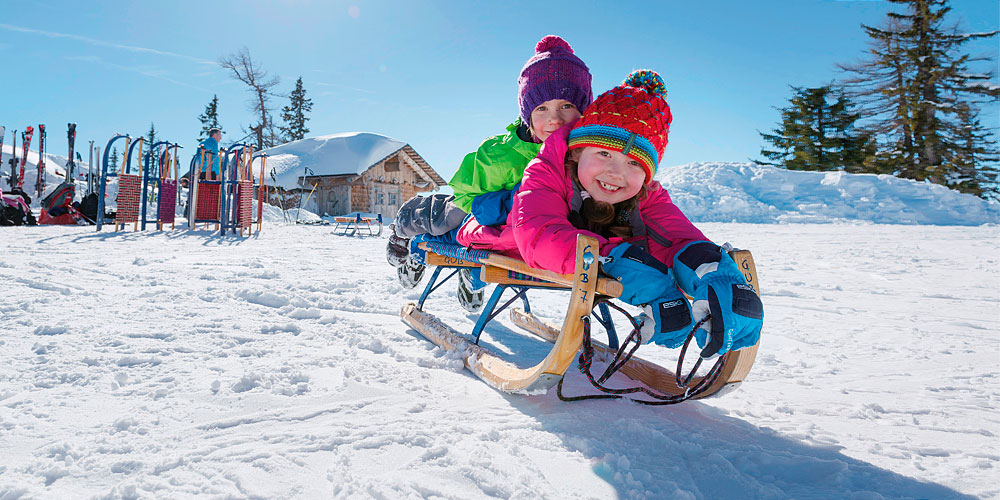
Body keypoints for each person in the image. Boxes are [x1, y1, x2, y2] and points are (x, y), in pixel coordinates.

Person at [469, 70, 763, 358]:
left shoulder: (645, 194)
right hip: (499, 237)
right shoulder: (546, 172)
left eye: (634, 163)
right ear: (577, 153)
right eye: (604, 153)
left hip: (585, 253)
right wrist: (624, 266)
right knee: (454, 231)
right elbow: (541, 236)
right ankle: (457, 257)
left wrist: (714, 273)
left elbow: (678, 238)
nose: (615, 173)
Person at [387, 35, 593, 312]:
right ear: (528, 115)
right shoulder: (500, 154)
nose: (554, 119)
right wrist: (497, 207)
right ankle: (406, 233)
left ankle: (470, 273)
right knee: (444, 219)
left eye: (566, 106)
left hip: (521, 232)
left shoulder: (589, 156)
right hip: (477, 209)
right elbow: (465, 196)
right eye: (541, 108)